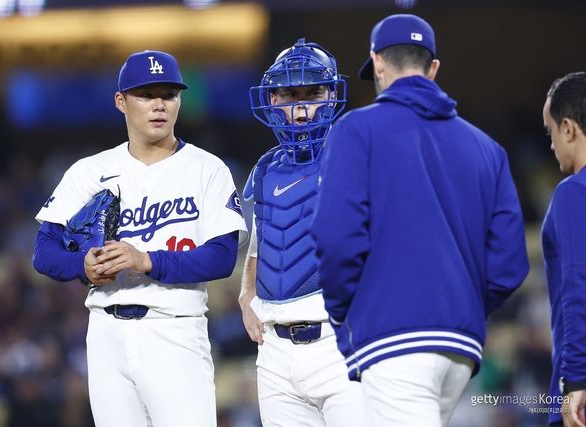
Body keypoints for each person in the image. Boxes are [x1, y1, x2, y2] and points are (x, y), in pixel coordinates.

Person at [310, 14, 529, 426]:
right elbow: (510, 265)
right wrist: (460, 306)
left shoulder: (356, 129)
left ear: (377, 62)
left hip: (395, 339)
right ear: (433, 68)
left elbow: (336, 237)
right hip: (460, 348)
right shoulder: (488, 148)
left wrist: (343, 312)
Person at [32, 50, 248, 427]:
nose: (159, 105)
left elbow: (221, 258)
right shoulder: (91, 171)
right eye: (146, 95)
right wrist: (81, 264)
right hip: (106, 330)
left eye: (169, 94)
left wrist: (147, 260)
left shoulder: (207, 169)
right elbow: (43, 252)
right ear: (121, 101)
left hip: (174, 327)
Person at [240, 38, 368, 426]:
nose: (300, 109)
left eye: (311, 94)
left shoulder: (361, 157)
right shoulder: (265, 169)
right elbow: (261, 243)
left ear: (331, 96)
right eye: (289, 95)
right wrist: (246, 293)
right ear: (271, 99)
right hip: (275, 355)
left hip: (343, 343)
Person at [541, 72, 586, 427]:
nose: (552, 144)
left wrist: (575, 378)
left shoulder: (573, 192)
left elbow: (578, 283)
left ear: (568, 128)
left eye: (550, 132)